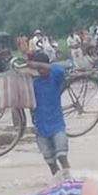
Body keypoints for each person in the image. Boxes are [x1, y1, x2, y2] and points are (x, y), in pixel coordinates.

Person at [22, 51, 72, 180]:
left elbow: (59, 69)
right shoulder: (35, 83)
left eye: (43, 68)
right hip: (40, 128)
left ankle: (69, 180)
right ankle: (58, 183)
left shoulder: (55, 78)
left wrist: (36, 64)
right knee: (50, 162)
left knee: (62, 155)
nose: (41, 71)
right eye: (39, 69)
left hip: (57, 126)